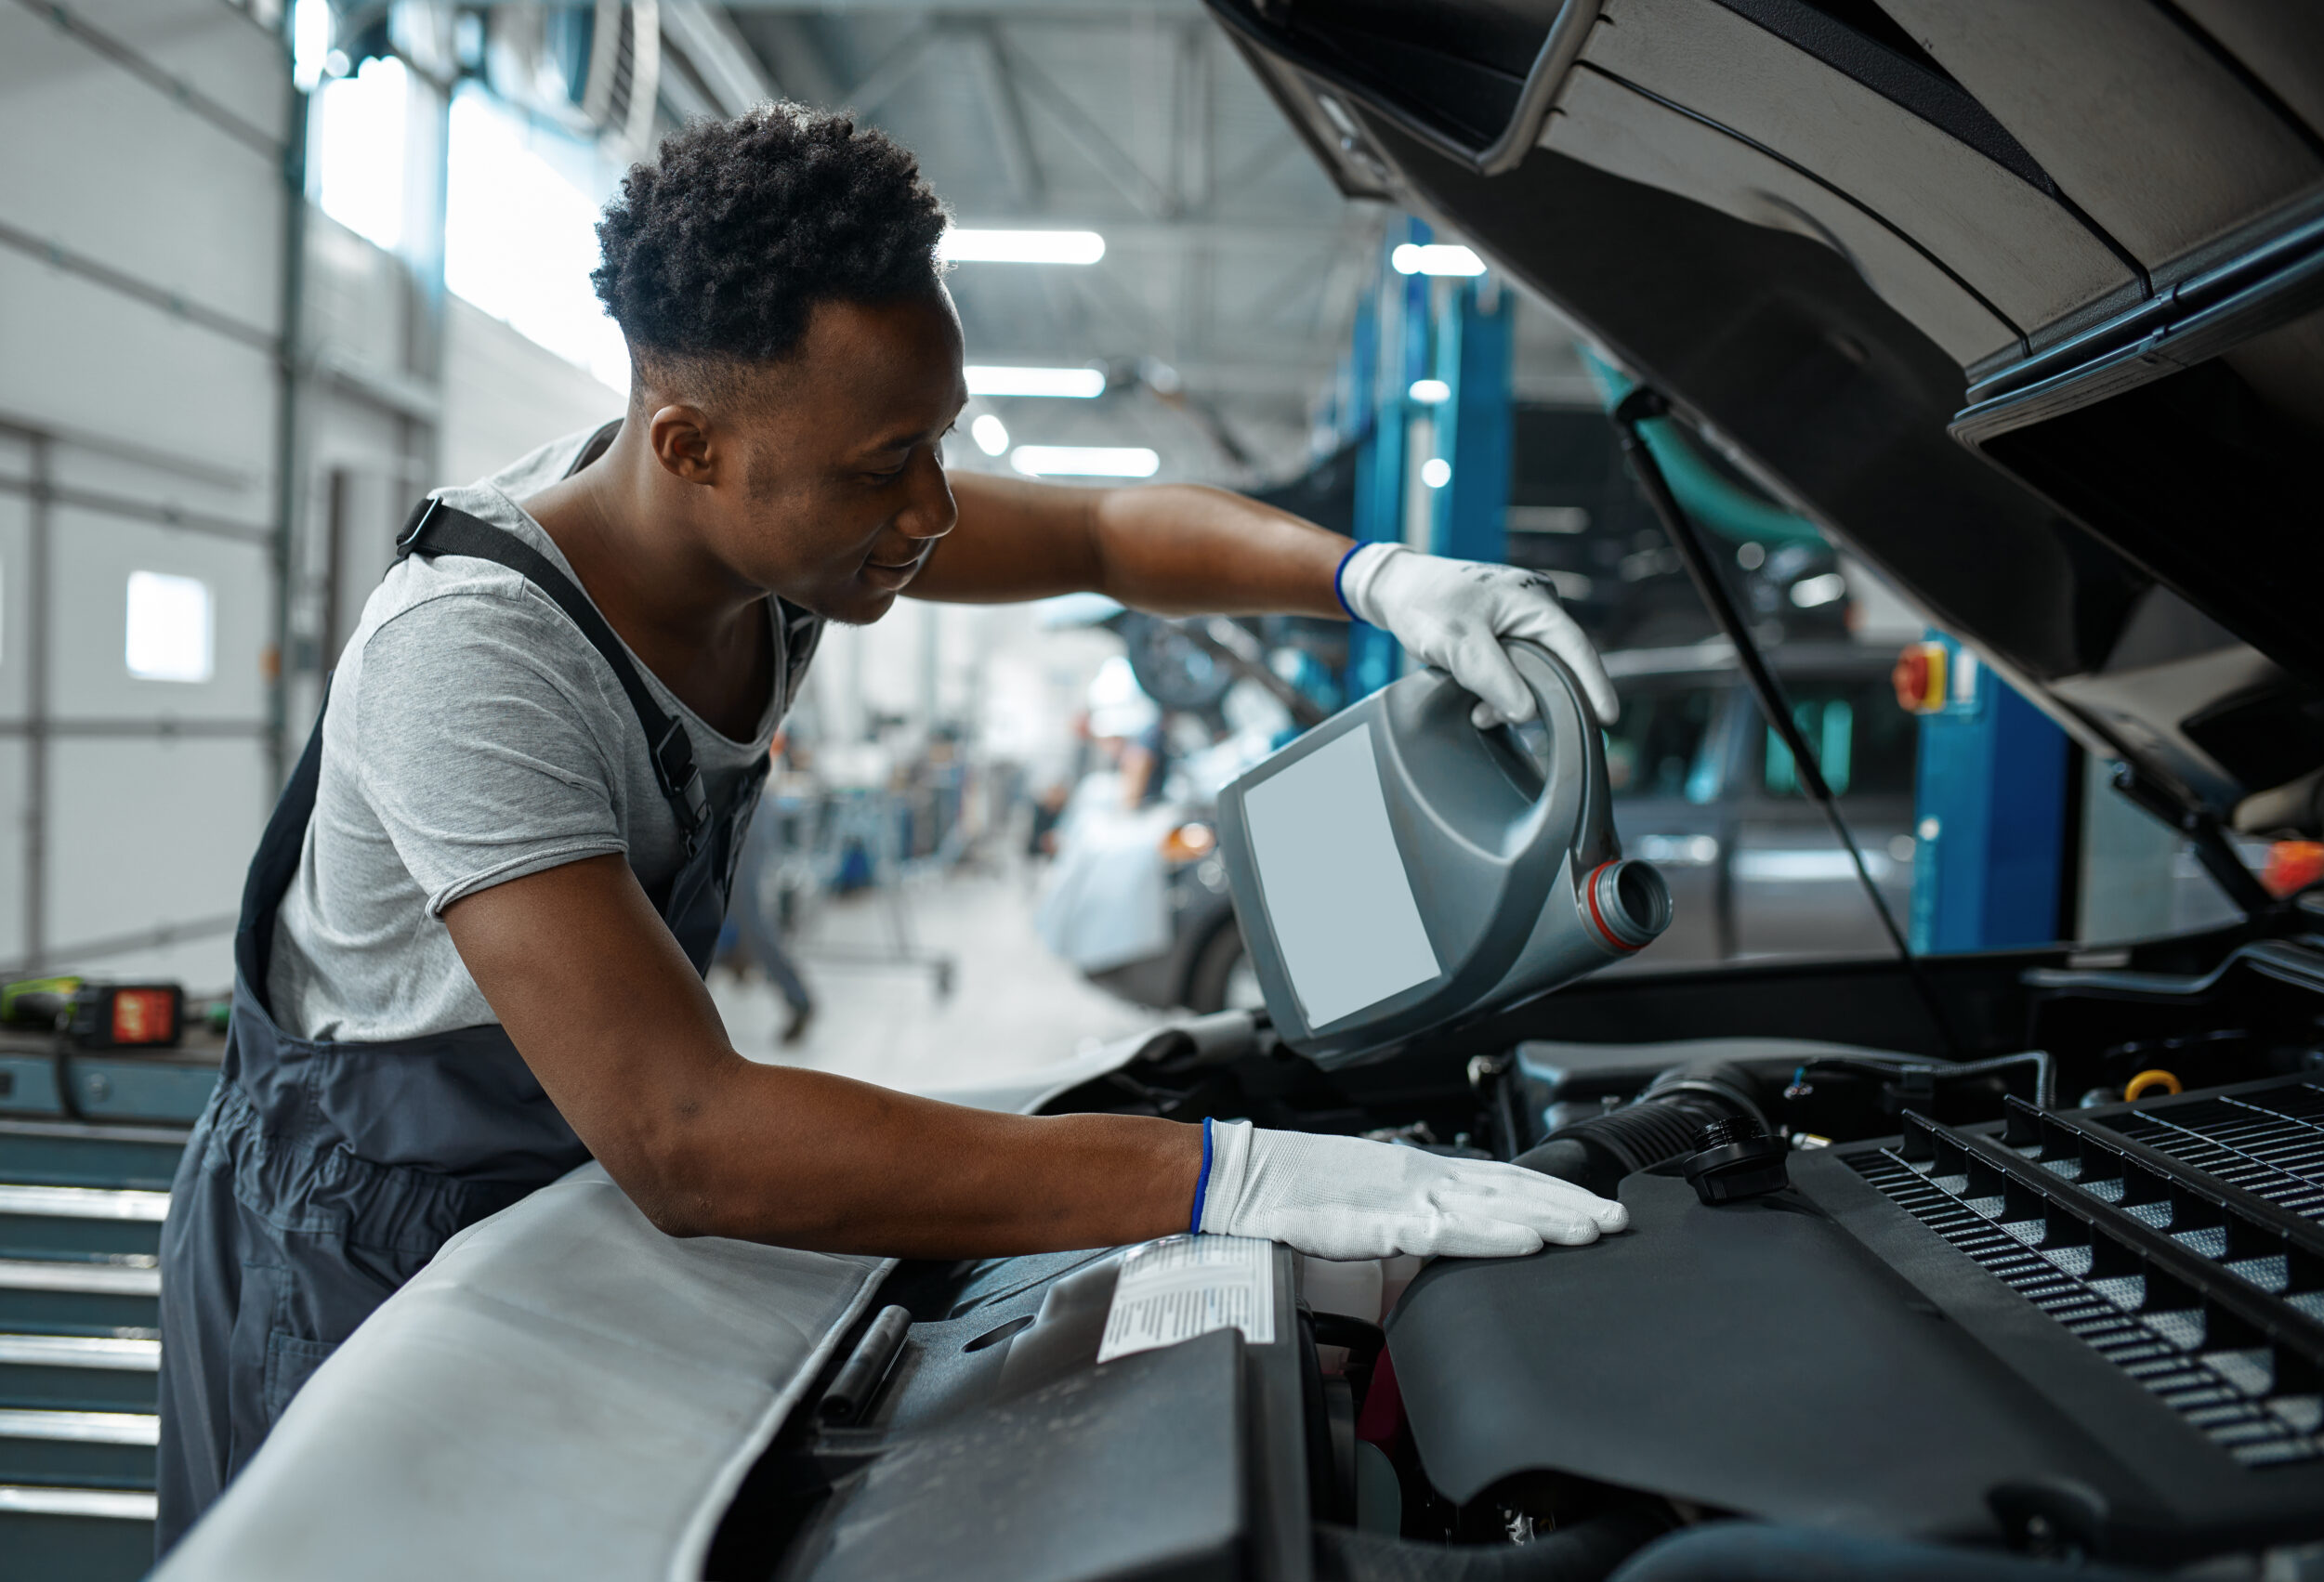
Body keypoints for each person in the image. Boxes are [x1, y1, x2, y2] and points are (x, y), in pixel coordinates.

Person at [153, 104, 1628, 1549]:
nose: (929, 506)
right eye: (881, 469)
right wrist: (1227, 1178)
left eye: (936, 441)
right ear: (686, 446)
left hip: (555, 1180)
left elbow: (1111, 535)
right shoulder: (474, 658)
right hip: (355, 1243)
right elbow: (689, 1137)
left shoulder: (783, 523)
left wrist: (1380, 580)